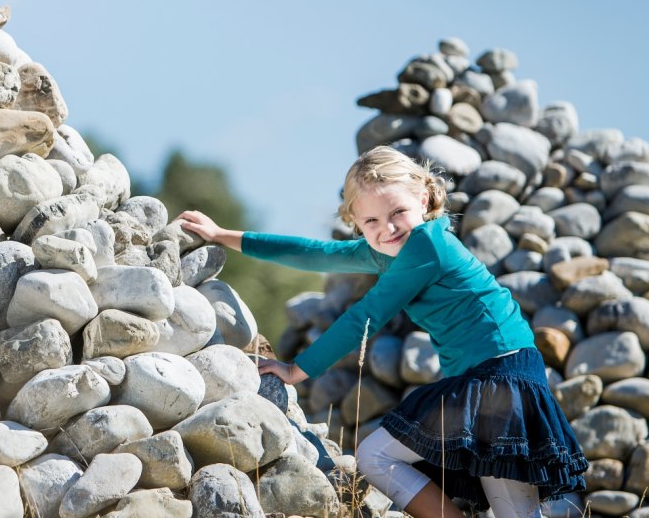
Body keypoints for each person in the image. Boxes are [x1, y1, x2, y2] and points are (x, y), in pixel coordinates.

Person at [178, 146, 588, 518]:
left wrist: (297, 370)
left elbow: (366, 316)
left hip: (501, 374)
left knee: (377, 456)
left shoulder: (427, 246)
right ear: (356, 223)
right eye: (371, 220)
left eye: (398, 213)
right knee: (512, 509)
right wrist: (223, 236)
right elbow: (313, 252)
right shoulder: (388, 251)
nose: (387, 227)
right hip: (492, 372)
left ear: (423, 201)